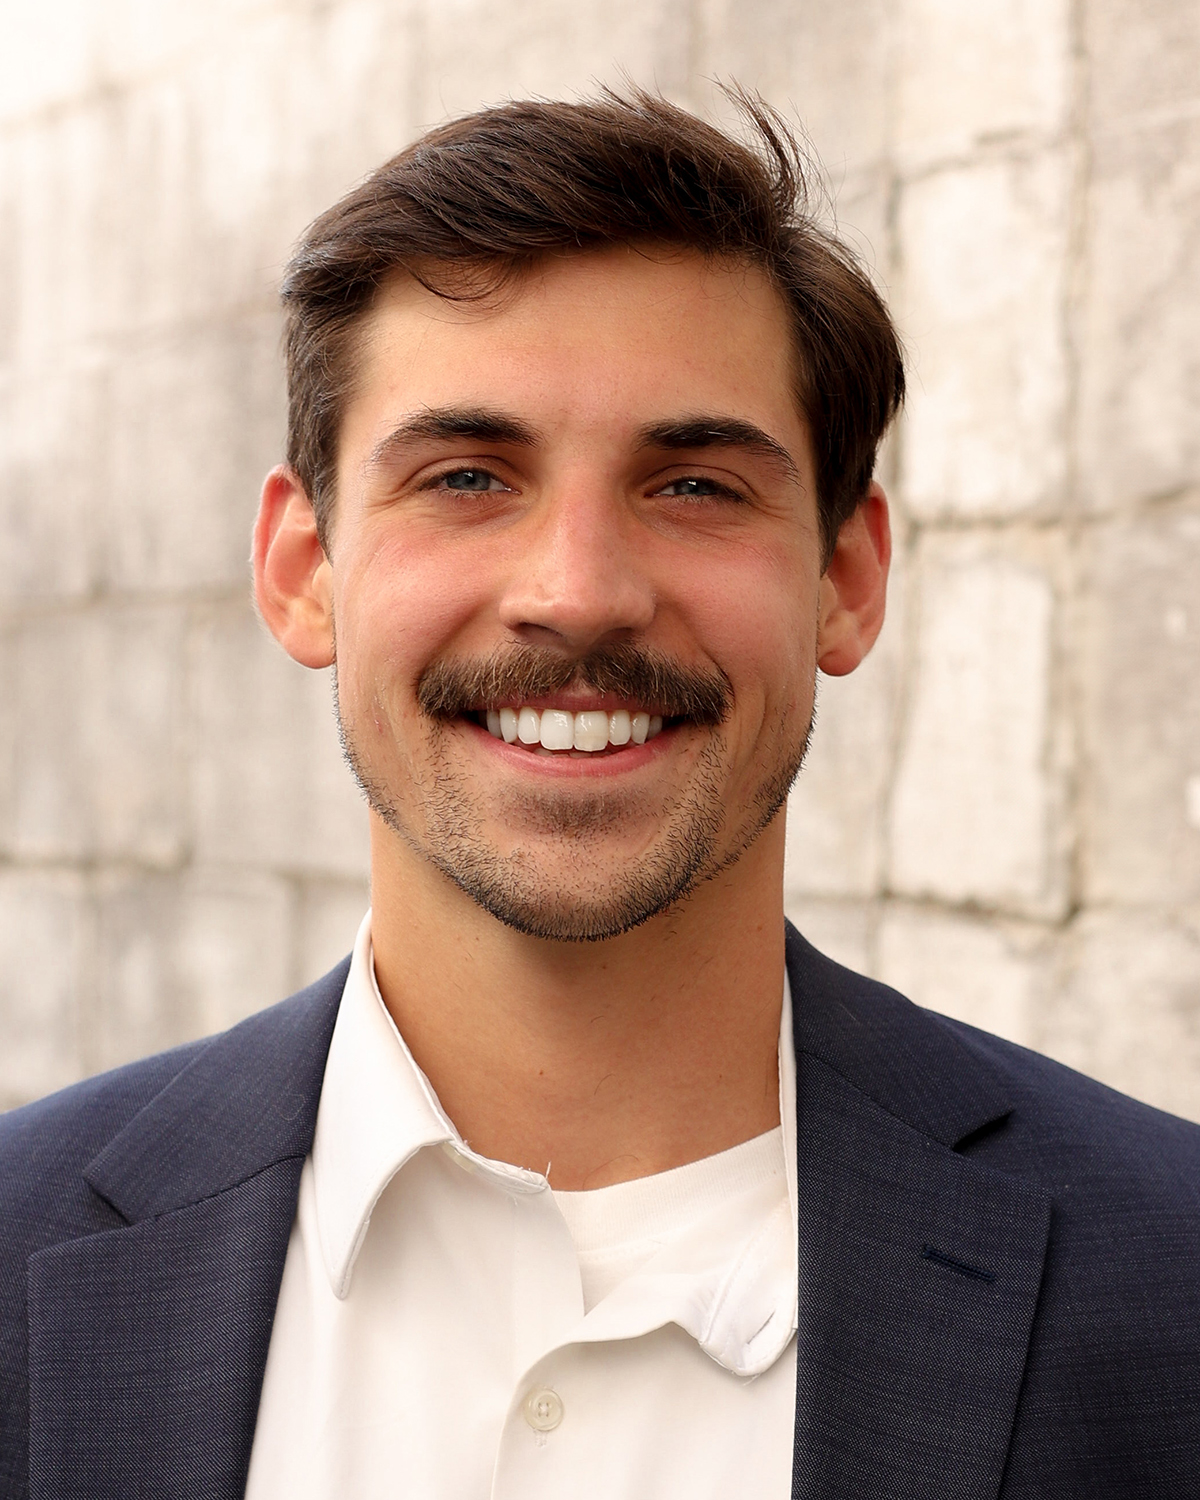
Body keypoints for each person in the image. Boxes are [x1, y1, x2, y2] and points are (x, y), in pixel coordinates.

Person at [1, 89, 1198, 1500]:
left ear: (846, 579)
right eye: (467, 476)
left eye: (694, 486)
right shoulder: (20, 1255)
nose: (577, 592)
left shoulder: (1167, 1291)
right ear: (303, 568)